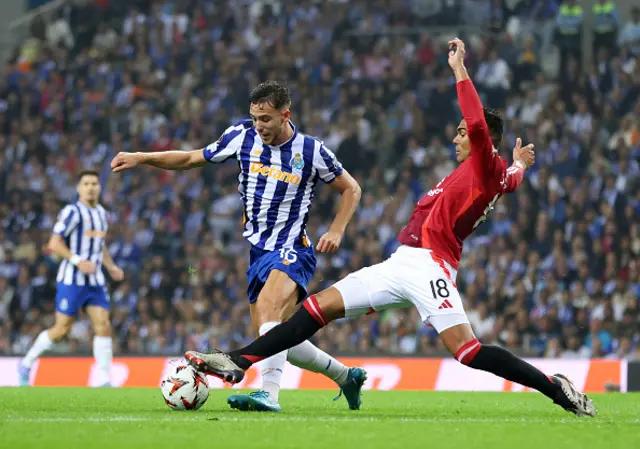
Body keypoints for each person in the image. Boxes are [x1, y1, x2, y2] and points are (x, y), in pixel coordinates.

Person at [184, 40, 596, 418]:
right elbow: (514, 178)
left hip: (431, 268)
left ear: (482, 138)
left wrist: (459, 69)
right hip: (400, 263)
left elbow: (475, 120)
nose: (456, 138)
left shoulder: (485, 164)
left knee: (468, 352)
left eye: (461, 133)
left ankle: (555, 389)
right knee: (316, 308)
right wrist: (521, 163)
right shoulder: (496, 174)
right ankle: (239, 360)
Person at [110, 81, 364, 412]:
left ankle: (268, 395)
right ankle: (347, 376)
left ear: (285, 115)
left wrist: (336, 229)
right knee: (274, 337)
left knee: (272, 313)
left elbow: (352, 189)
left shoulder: (311, 150)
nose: (260, 126)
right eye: (255, 117)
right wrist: (142, 157)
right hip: (257, 253)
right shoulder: (241, 136)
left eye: (267, 119)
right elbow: (190, 159)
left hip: (292, 248)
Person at [19, 170, 124, 387]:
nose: (91, 187)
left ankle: (104, 379)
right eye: (86, 183)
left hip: (94, 281)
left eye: (94, 183)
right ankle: (27, 363)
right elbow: (54, 243)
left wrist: (111, 266)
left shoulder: (103, 214)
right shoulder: (71, 212)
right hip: (72, 280)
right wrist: (77, 261)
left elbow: (99, 245)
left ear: (99, 187)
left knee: (103, 325)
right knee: (61, 330)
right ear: (79, 188)